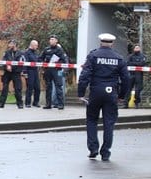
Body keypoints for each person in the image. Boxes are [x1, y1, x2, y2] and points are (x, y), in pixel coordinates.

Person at [77, 33, 130, 161]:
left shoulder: (93, 56)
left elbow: (85, 75)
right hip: (111, 93)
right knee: (109, 123)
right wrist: (122, 96)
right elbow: (126, 79)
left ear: (100, 42)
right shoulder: (119, 58)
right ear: (112, 43)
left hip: (95, 92)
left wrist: (81, 93)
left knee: (91, 120)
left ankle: (93, 149)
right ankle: (105, 152)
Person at [41, 35, 68, 109]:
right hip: (48, 70)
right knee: (48, 87)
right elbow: (41, 58)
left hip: (56, 70)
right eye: (50, 39)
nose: (51, 41)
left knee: (58, 87)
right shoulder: (46, 49)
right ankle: (48, 104)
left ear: (56, 41)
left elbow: (64, 60)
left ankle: (60, 104)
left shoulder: (60, 50)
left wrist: (58, 62)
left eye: (53, 39)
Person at [0, 39, 25, 109]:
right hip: (7, 73)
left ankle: (20, 104)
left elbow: (21, 63)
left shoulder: (20, 53)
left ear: (15, 45)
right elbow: (3, 61)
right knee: (4, 88)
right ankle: (1, 103)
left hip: (16, 73)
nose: (9, 45)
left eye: (11, 44)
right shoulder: (6, 53)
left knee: (17, 89)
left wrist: (12, 67)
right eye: (9, 43)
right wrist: (7, 66)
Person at [22, 39, 41, 108]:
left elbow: (38, 60)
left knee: (38, 88)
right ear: (32, 45)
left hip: (35, 71)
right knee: (30, 87)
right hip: (29, 71)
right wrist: (25, 72)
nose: (37, 47)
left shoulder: (35, 53)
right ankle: (28, 102)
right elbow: (25, 63)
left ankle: (36, 102)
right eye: (36, 45)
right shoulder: (26, 53)